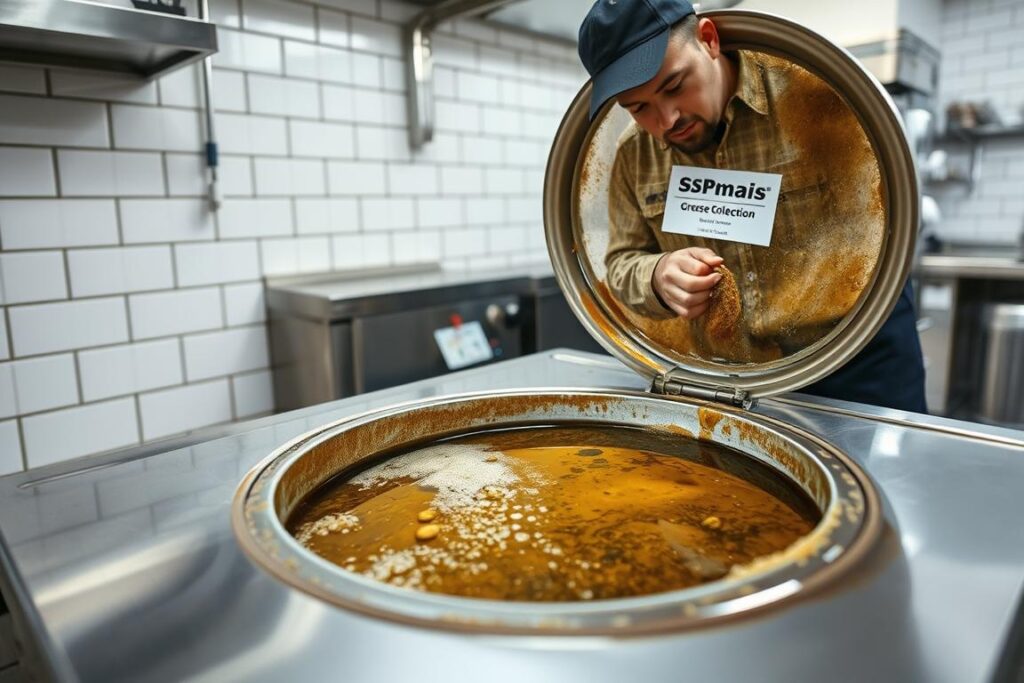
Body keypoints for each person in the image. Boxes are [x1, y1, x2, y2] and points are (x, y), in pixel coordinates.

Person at [576, 0, 927, 413]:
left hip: (856, 363)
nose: (667, 119)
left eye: (674, 87)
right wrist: (656, 276)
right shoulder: (635, 156)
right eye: (639, 108)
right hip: (729, 378)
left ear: (708, 39)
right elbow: (620, 262)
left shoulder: (816, 102)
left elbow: (892, 218)